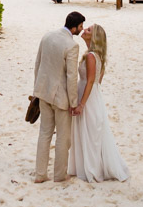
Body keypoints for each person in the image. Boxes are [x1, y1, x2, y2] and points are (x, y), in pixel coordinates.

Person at [68, 24, 129, 182]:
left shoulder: (90, 56)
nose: (84, 30)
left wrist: (81, 104)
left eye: (88, 30)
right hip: (94, 96)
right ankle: (89, 165)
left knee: (89, 132)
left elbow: (90, 81)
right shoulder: (97, 56)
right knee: (91, 131)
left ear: (94, 37)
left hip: (87, 97)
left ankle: (91, 168)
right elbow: (97, 82)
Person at [32, 11, 84, 183]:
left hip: (43, 92)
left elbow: (38, 64)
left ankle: (40, 174)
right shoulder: (72, 45)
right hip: (61, 98)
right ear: (74, 27)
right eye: (80, 26)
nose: (81, 29)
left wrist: (37, 90)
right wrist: (74, 102)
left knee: (44, 134)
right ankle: (59, 175)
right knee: (63, 137)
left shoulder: (47, 36)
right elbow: (71, 76)